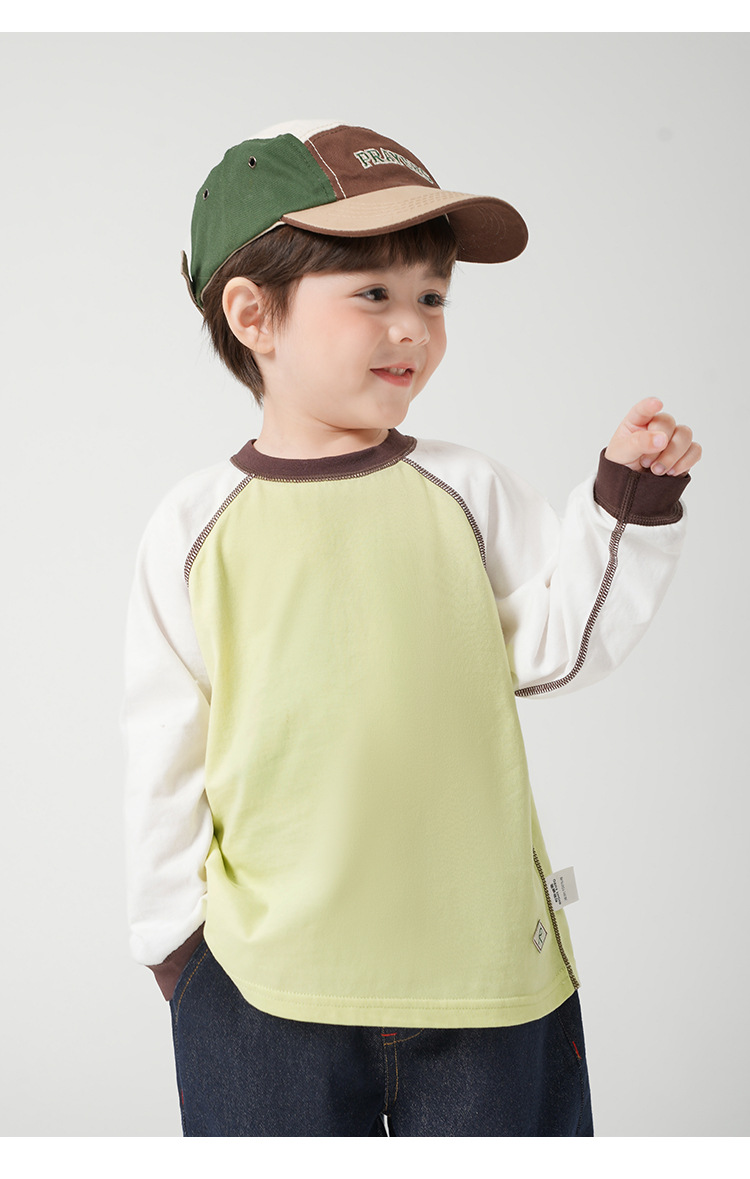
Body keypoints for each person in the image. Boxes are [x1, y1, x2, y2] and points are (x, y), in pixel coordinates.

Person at [121, 120, 701, 1137]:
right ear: (254, 314)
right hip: (264, 990)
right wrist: (175, 946)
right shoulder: (194, 525)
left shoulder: (465, 489)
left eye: (433, 297)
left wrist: (626, 506)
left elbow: (557, 645)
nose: (415, 328)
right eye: (374, 295)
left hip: (484, 981)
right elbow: (166, 745)